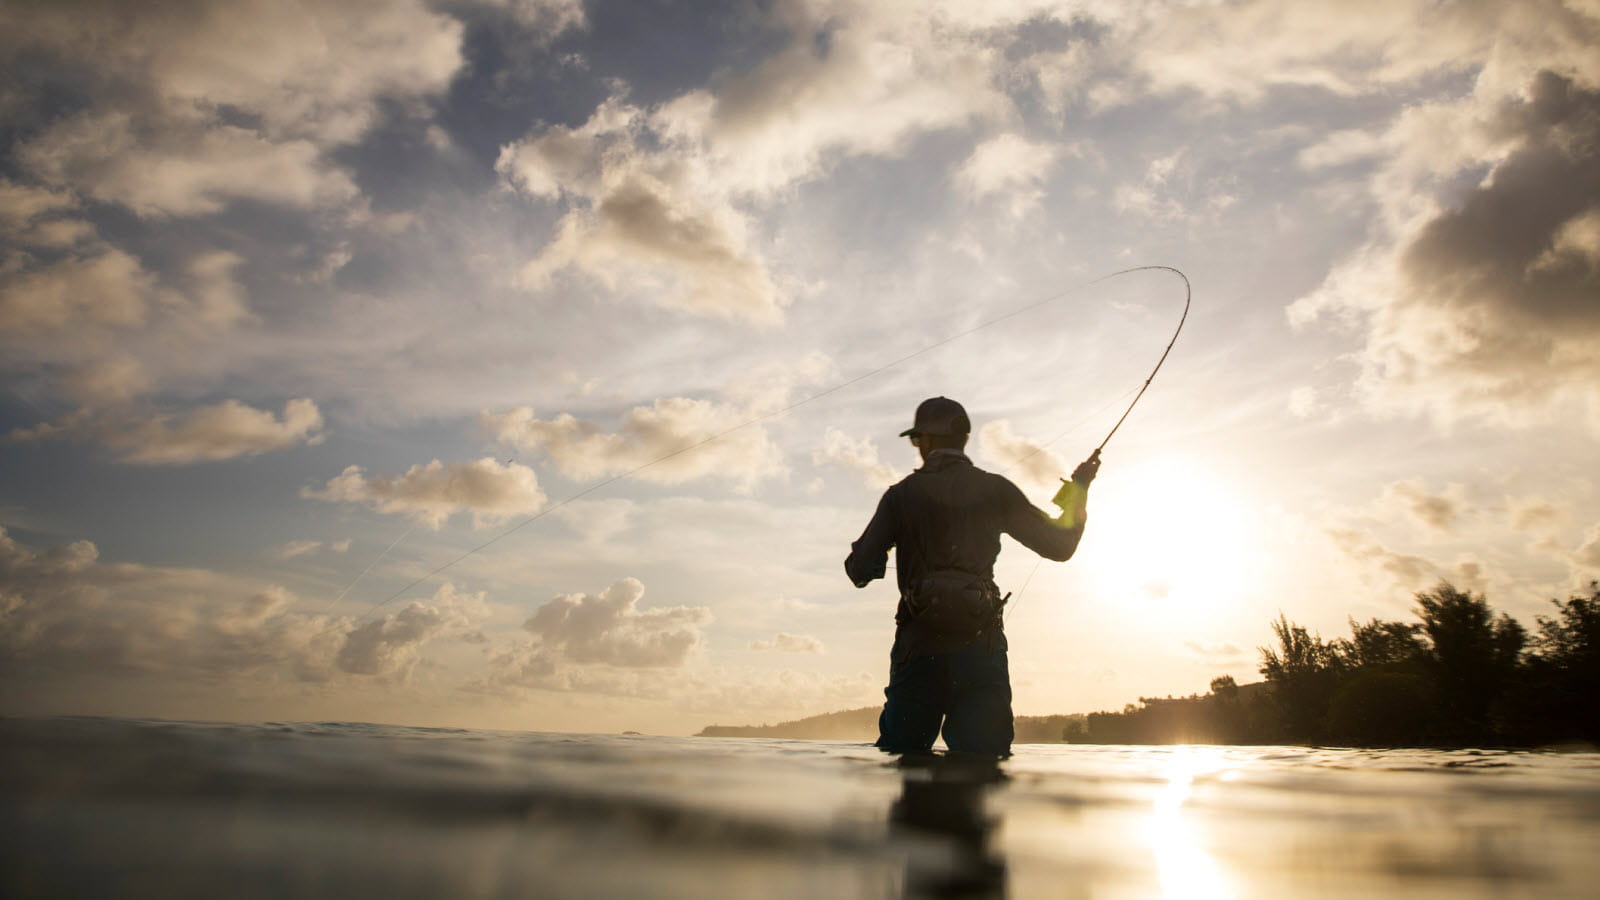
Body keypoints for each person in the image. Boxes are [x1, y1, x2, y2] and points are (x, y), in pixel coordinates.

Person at [844, 396, 1098, 757]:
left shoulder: (900, 496)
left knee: (902, 759)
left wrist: (877, 554)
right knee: (984, 764)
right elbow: (1060, 546)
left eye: (916, 440)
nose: (918, 447)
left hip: (918, 649)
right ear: (962, 439)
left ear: (927, 441)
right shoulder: (996, 489)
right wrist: (1079, 490)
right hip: (981, 646)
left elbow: (858, 571)